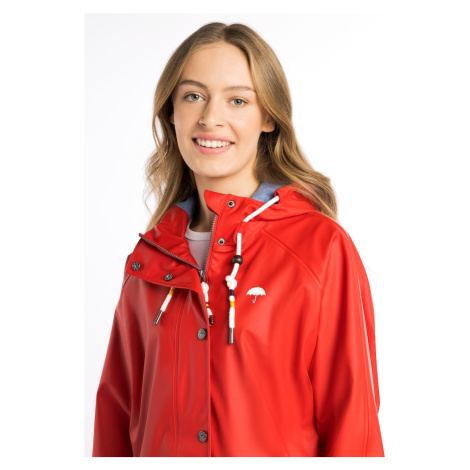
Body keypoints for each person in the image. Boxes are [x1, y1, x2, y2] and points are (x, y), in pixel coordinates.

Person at [92, 21, 385, 457]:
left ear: (268, 117)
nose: (210, 117)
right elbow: (115, 421)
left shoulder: (320, 248)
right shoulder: (149, 259)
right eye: (193, 96)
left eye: (238, 100)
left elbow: (353, 423)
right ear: (171, 111)